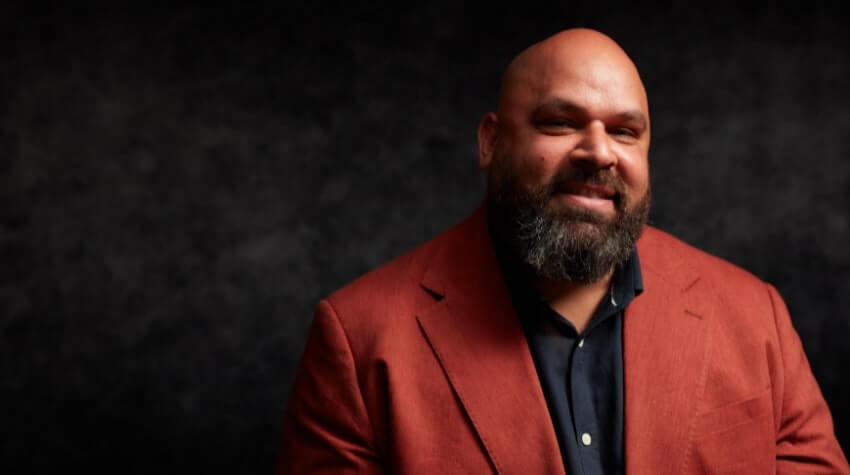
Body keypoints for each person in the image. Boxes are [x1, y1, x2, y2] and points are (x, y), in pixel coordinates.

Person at [280, 28, 849, 474]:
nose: (598, 152)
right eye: (559, 123)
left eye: (625, 131)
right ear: (491, 142)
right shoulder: (359, 341)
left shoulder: (756, 316)